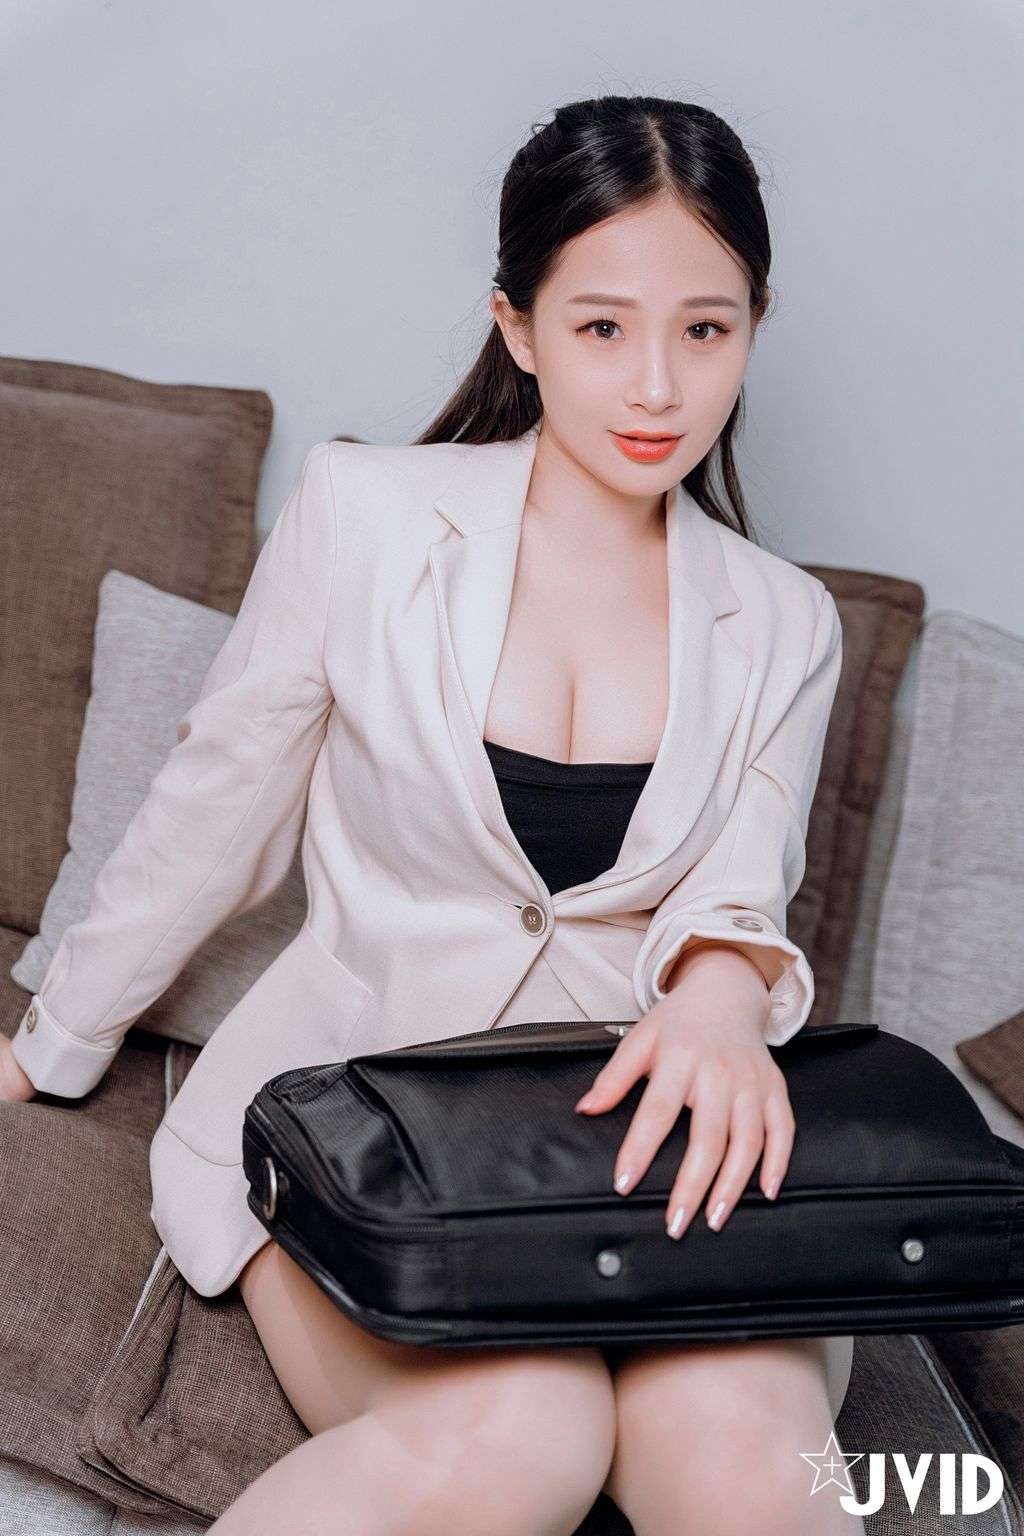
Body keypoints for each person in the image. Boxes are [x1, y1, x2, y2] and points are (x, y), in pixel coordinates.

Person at [0, 95, 864, 1535]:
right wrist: (51, 1043)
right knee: (521, 1435)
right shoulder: (367, 514)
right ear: (518, 328)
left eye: (706, 330)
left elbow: (741, 887)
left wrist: (722, 998)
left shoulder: (788, 620)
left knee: (754, 1466)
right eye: (602, 327)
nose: (657, 385)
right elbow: (216, 810)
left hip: (650, 1141)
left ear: (754, 328)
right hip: (365, 1117)